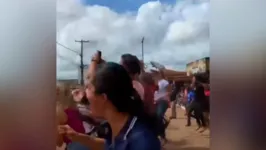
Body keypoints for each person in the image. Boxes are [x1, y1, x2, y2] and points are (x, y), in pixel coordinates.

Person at [58, 59, 161, 150]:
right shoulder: (119, 125)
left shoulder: (141, 141)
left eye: (89, 88)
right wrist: (77, 136)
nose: (85, 93)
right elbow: (110, 145)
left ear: (103, 97)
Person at [154, 71, 170, 144]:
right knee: (155, 117)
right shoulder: (153, 82)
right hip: (155, 102)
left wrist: (162, 97)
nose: (154, 74)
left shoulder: (164, 82)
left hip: (163, 101)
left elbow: (169, 91)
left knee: (159, 115)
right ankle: (165, 121)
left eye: (155, 73)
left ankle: (162, 136)